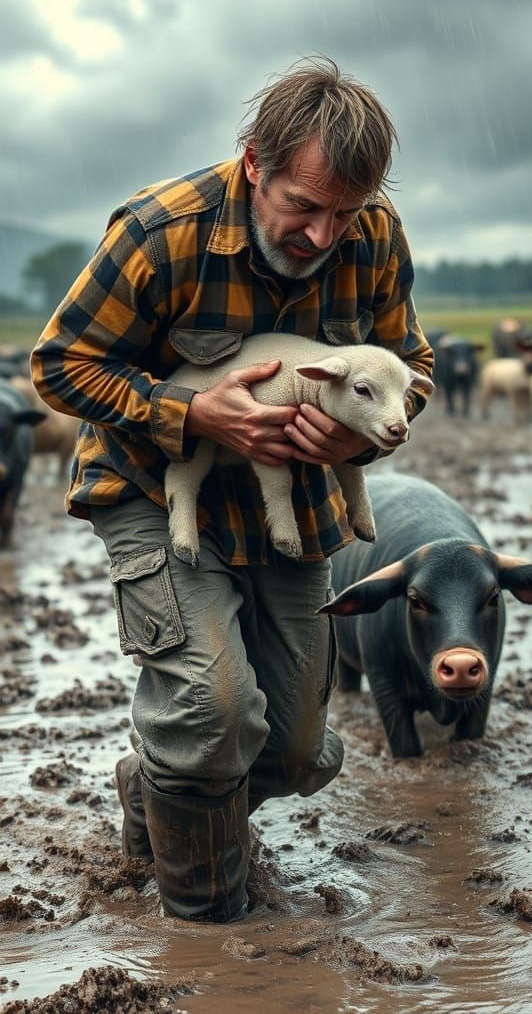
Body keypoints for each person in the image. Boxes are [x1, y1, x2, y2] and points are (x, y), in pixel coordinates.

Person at [31, 57, 433, 923]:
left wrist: (349, 434)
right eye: (303, 207)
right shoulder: (158, 232)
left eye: (345, 214)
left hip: (295, 503)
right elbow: (59, 365)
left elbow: (414, 368)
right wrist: (190, 413)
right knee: (214, 717)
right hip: (156, 488)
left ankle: (155, 784)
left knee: (295, 751)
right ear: (255, 163)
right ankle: (210, 937)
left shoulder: (375, 237)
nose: (324, 235)